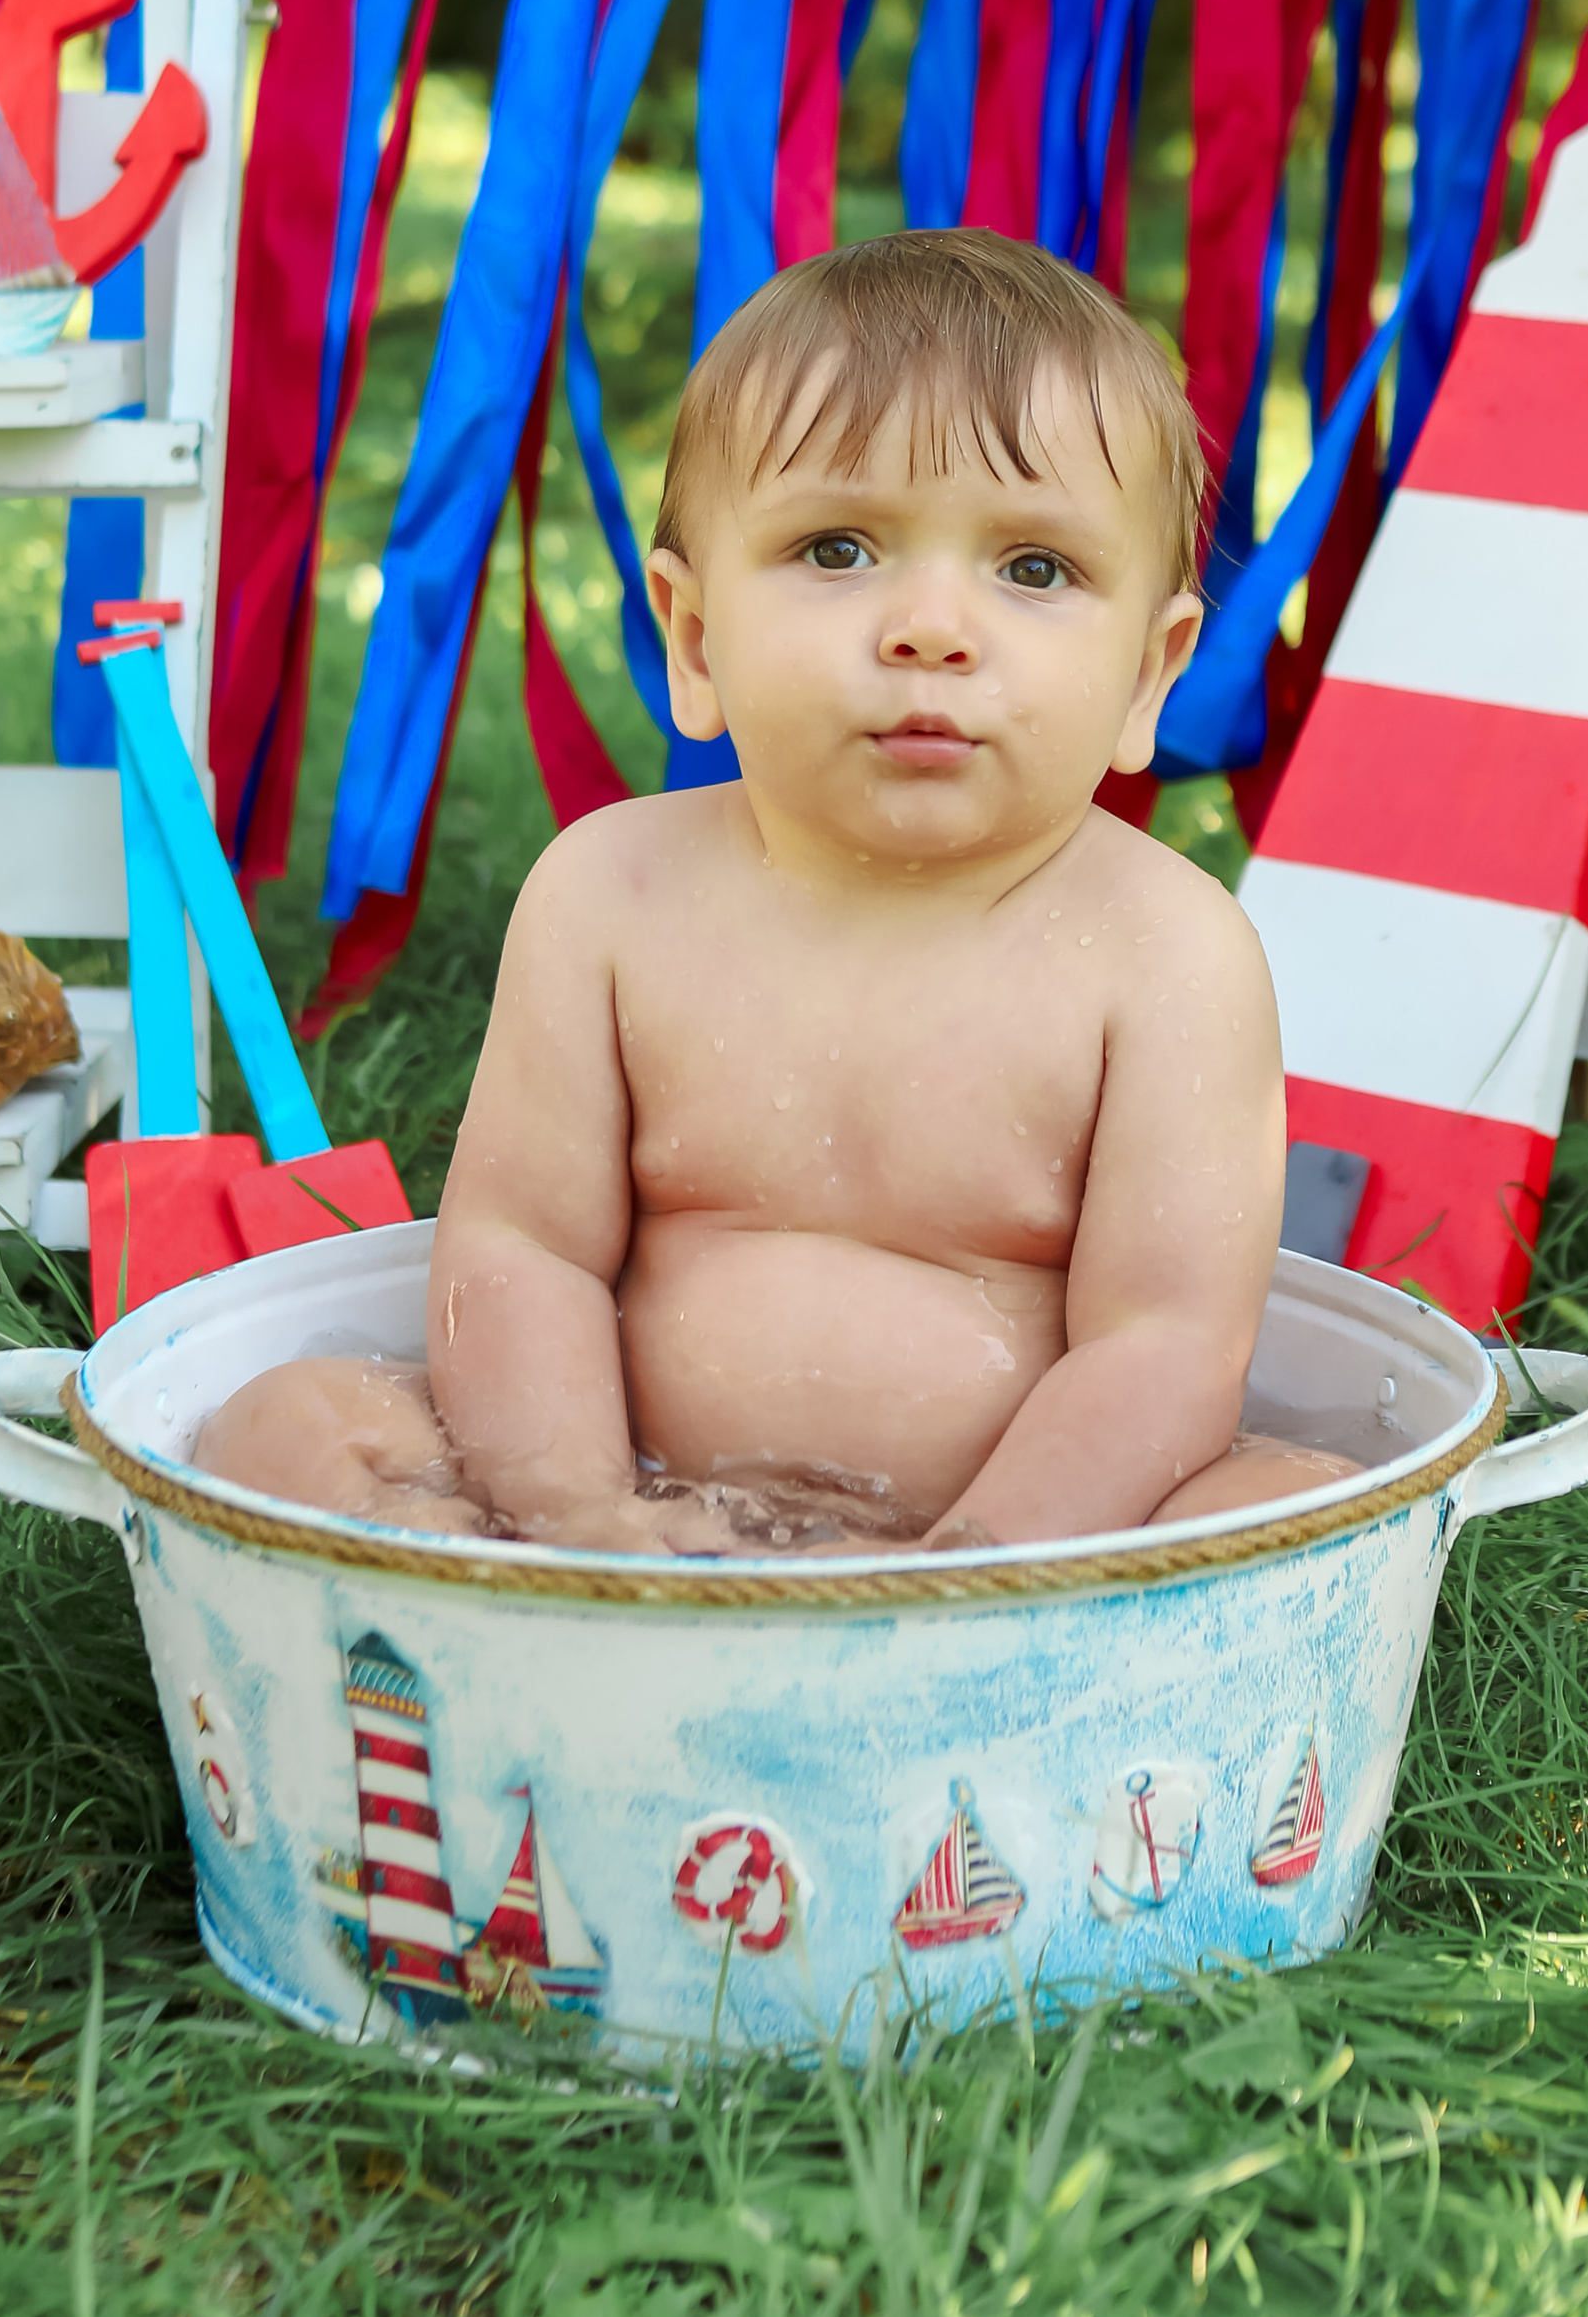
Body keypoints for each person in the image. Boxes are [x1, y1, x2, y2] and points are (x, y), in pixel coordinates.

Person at [199, 228, 1352, 1553]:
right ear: (694, 639)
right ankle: (531, 1623)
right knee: (286, 1425)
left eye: (1034, 568)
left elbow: (1167, 1347)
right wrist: (579, 1514)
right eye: (840, 548)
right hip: (639, 1499)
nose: (930, 624)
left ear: (1151, 676)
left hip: (1018, 1550)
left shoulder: (1168, 957)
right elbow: (524, 1250)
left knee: (1300, 1504)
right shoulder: (612, 897)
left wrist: (971, 1572)